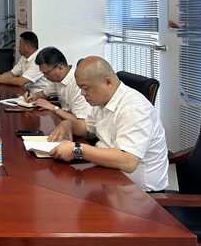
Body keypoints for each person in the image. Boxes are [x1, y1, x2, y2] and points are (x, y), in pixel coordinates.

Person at [48, 56, 168, 192]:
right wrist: (69, 124)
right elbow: (88, 129)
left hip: (139, 194)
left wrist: (77, 149)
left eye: (85, 88)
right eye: (80, 88)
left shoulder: (133, 108)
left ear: (108, 82)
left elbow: (128, 161)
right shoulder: (102, 99)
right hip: (109, 177)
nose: (82, 93)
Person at [25, 47, 91, 123]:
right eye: (43, 73)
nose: (45, 76)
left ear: (60, 68)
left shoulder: (78, 85)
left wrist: (53, 108)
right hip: (63, 122)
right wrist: (34, 96)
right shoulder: (57, 79)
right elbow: (44, 94)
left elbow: (80, 122)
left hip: (77, 126)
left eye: (46, 73)